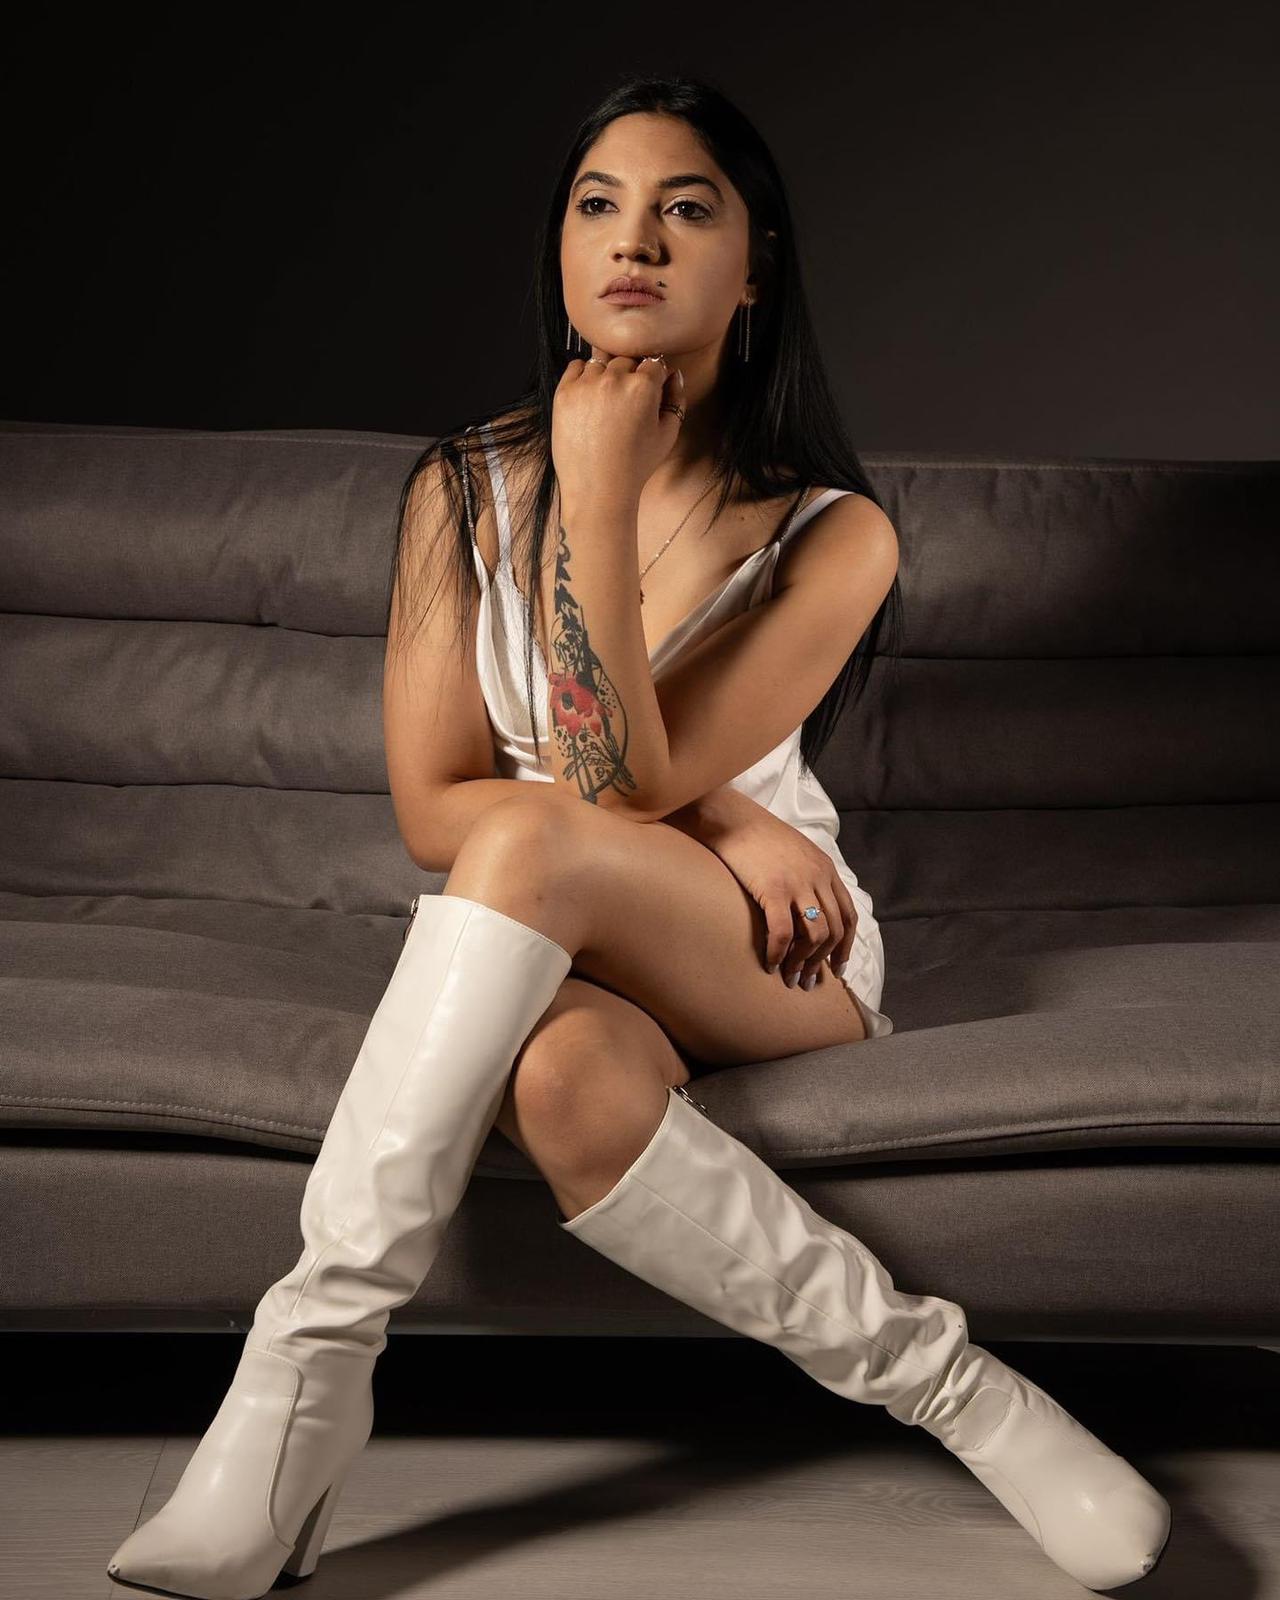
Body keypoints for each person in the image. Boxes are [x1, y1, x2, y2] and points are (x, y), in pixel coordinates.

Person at [107, 74, 1170, 1597]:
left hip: (769, 950)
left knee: (537, 842)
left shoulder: (832, 532)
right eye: (597, 205)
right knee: (562, 1083)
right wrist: (722, 809)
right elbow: (433, 809)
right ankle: (974, 1400)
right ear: (559, 248)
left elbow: (592, 794)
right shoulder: (460, 490)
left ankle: (299, 1379)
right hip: (564, 930)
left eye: (686, 209)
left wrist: (598, 496)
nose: (635, 242)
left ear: (757, 264)